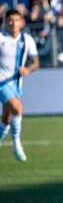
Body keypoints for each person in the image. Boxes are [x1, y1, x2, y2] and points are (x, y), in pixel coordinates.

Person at [0, 9, 39, 161]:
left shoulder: (26, 39)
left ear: (21, 22)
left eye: (16, 20)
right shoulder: (1, 38)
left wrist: (27, 69)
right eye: (10, 20)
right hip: (1, 83)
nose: (13, 23)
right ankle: (16, 144)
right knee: (17, 109)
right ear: (5, 21)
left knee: (6, 117)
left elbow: (35, 63)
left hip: (15, 84)